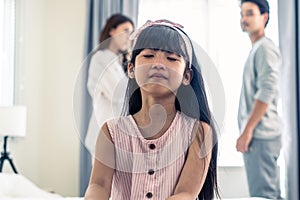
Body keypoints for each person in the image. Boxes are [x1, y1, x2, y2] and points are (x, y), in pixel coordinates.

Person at [84, 20, 219, 200]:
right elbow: (98, 185)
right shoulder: (111, 131)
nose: (158, 64)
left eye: (171, 58)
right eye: (148, 56)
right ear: (131, 68)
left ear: (187, 76)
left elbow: (185, 193)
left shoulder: (199, 133)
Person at [236, 0, 282, 199]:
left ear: (264, 17)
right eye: (242, 14)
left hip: (261, 135)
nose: (244, 19)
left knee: (265, 196)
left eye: (249, 14)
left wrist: (247, 131)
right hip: (260, 135)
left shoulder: (264, 49)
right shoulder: (257, 48)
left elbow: (267, 89)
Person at [85, 14, 134, 156]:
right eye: (125, 31)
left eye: (131, 33)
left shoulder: (121, 61)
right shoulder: (101, 58)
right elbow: (118, 94)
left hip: (120, 134)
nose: (128, 37)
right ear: (112, 31)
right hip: (105, 133)